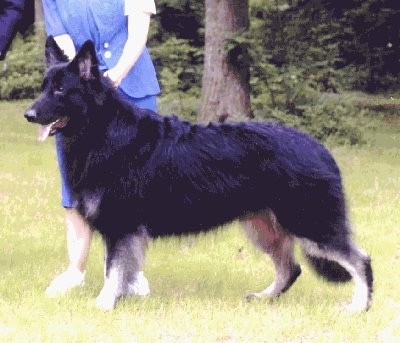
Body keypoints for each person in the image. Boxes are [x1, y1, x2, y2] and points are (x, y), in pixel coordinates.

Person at [41, 0, 160, 297]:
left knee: (135, 190)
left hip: (132, 88)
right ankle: (75, 271)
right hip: (80, 97)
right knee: (76, 187)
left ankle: (131, 274)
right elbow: (64, 43)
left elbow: (137, 34)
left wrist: (115, 74)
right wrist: (84, 82)